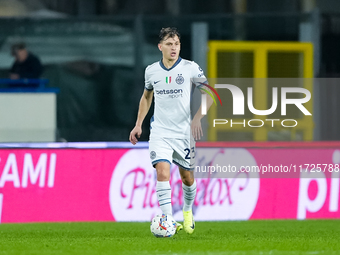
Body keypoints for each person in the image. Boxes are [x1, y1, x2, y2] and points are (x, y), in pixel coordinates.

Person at [129, 27, 213, 234]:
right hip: (160, 132)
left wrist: (197, 118)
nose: (173, 48)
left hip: (184, 133)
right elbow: (146, 97)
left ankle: (187, 210)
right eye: (169, 44)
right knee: (162, 171)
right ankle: (167, 219)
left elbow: (209, 94)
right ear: (160, 47)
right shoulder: (151, 71)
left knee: (187, 178)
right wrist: (139, 124)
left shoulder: (190, 68)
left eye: (176, 44)